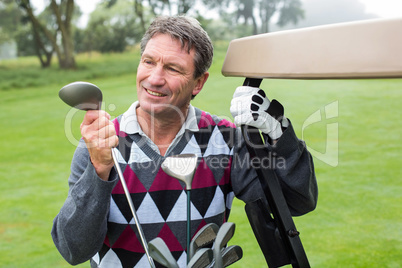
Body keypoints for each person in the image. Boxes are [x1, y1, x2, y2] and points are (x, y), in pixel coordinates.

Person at [51, 15, 318, 268]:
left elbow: (295, 202)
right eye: (148, 61)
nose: (154, 78)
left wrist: (278, 132)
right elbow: (74, 249)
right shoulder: (101, 143)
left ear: (198, 83)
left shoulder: (224, 140)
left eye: (173, 68)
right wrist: (99, 169)